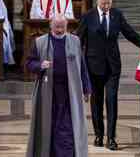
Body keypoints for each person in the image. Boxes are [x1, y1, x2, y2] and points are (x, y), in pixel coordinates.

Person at [77, 0, 140, 150]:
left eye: (108, 3)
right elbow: (78, 40)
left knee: (111, 101)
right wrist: (73, 59)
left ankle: (111, 138)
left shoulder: (117, 15)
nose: (106, 6)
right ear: (97, 0)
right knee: (96, 102)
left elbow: (129, 33)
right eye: (103, 3)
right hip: (93, 66)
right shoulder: (88, 17)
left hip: (112, 67)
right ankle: (98, 135)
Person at [25, 15, 91, 157]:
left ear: (67, 26)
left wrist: (86, 88)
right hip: (48, 93)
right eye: (57, 27)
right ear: (50, 26)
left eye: (63, 27)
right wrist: (40, 65)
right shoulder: (40, 42)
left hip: (69, 92)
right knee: (50, 125)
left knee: (67, 127)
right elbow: (29, 63)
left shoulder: (75, 41)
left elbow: (82, 67)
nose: (60, 30)